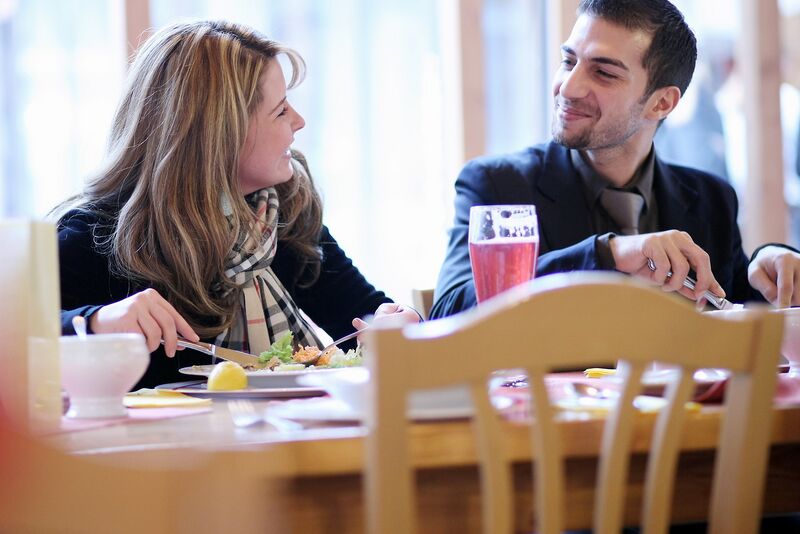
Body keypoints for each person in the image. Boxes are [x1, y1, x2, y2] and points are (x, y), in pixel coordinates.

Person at [54, 21, 419, 389]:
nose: (299, 121)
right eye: (280, 111)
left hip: (282, 442)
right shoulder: (97, 233)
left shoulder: (281, 213)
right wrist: (95, 321)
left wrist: (396, 322)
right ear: (220, 135)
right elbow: (23, 343)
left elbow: (362, 315)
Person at [431, 0, 800, 319]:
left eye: (603, 72)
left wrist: (772, 262)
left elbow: (734, 310)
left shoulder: (711, 199)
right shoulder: (498, 185)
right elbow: (447, 315)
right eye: (568, 60)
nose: (569, 87)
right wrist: (606, 254)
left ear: (662, 103)